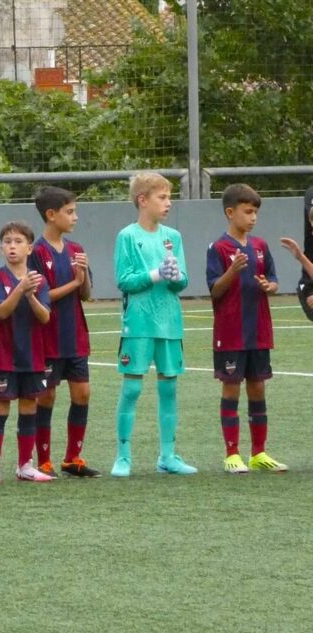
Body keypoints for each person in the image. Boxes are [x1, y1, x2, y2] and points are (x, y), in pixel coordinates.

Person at [111, 172, 196, 477]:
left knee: (169, 389)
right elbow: (123, 281)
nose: (168, 203)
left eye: (169, 197)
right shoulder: (128, 236)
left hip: (170, 324)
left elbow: (183, 281)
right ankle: (123, 456)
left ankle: (168, 455)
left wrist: (175, 277)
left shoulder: (173, 237)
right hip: (139, 323)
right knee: (132, 389)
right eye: (162, 197)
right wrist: (154, 274)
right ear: (142, 200)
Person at [207, 183, 286, 473]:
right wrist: (232, 270)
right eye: (248, 212)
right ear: (230, 212)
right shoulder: (218, 248)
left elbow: (274, 280)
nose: (253, 218)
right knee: (231, 390)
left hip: (259, 331)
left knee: (258, 388)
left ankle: (258, 453)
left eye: (256, 213)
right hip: (231, 333)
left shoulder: (261, 246)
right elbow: (215, 290)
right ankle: (232, 454)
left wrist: (270, 286)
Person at [28, 186, 99, 478]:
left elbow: (86, 295)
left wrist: (83, 278)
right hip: (47, 337)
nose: (75, 217)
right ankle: (43, 460)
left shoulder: (76, 250)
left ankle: (73, 458)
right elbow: (43, 296)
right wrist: (75, 282)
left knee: (82, 394)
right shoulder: (35, 252)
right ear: (51, 214)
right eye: (70, 212)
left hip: (75, 335)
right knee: (46, 397)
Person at [0, 221, 52, 485]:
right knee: (0, 405)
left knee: (28, 405)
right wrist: (20, 289)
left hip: (32, 354)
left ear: (30, 248)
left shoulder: (39, 279)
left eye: (18, 241)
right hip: (5, 353)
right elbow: (1, 311)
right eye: (8, 241)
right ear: (1, 248)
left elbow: (45, 317)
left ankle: (25, 464)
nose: (12, 246)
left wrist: (31, 295)